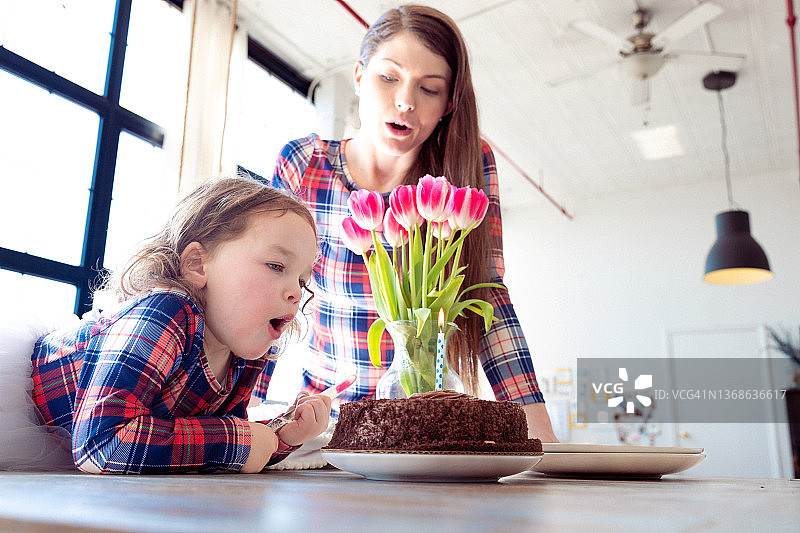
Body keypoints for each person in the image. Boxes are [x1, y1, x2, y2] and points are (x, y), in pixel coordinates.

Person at [253, 5, 557, 441]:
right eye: (389, 77)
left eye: (429, 88)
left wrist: (540, 431)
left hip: (424, 427)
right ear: (359, 76)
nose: (406, 102)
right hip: (326, 426)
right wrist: (244, 405)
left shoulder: (465, 169)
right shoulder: (304, 165)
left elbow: (488, 296)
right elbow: (270, 295)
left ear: (448, 104)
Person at [0, 177, 331, 473]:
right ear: (197, 264)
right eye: (276, 265)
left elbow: (214, 451)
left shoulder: (248, 352)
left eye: (303, 280)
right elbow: (102, 444)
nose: (295, 292)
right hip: (20, 404)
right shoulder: (167, 312)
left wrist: (280, 437)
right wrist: (239, 441)